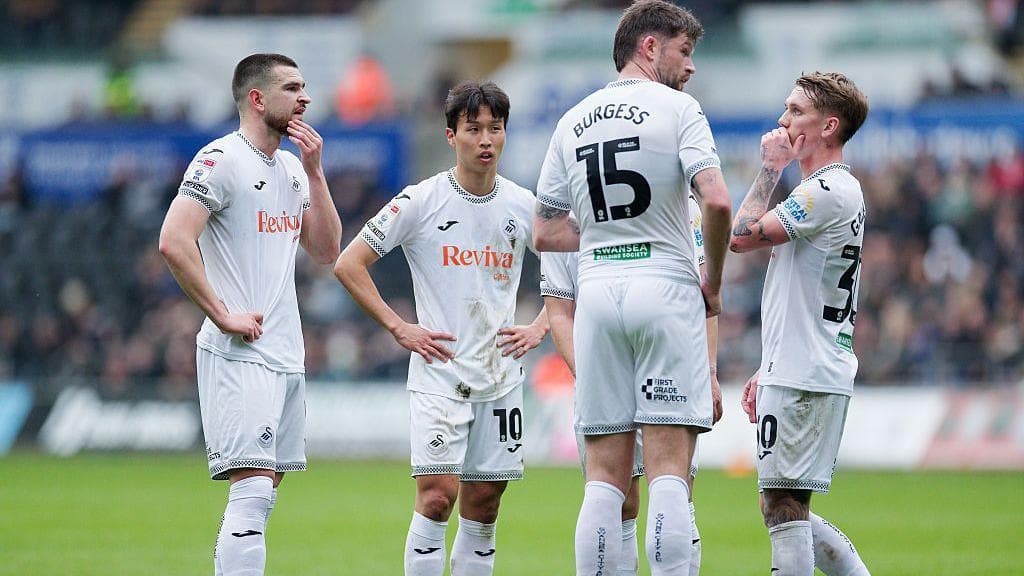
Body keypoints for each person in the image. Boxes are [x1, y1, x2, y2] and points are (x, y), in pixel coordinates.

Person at [532, 1, 733, 574]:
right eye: (684, 51)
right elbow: (717, 201)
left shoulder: (572, 120)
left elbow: (544, 232)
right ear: (649, 46)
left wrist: (605, 233)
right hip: (665, 286)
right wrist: (713, 282)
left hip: (598, 294)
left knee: (604, 479)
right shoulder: (679, 108)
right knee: (670, 471)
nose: (690, 66)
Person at [333, 81, 548, 576]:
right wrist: (398, 327)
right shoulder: (421, 200)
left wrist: (541, 326)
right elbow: (349, 263)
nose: (485, 139)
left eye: (495, 128)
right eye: (473, 129)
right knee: (436, 497)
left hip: (500, 377)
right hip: (439, 375)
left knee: (485, 504)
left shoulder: (524, 205)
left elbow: (574, 268)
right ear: (451, 135)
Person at [158, 53, 342, 576]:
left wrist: (316, 172)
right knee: (253, 491)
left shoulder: (292, 168)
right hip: (239, 352)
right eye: (292, 88)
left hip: (285, 352)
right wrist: (221, 314)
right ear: (257, 99)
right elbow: (173, 240)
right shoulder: (220, 159)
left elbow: (326, 250)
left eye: (304, 87)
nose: (305, 98)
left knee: (262, 494)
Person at [729, 71, 871, 576]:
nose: (782, 119)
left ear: (828, 126)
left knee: (785, 506)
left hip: (808, 371)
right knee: (781, 505)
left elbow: (741, 235)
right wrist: (769, 364)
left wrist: (770, 168)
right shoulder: (828, 189)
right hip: (799, 364)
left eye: (795, 111)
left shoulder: (826, 190)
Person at [541, 193, 722, 576]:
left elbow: (700, 294)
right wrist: (590, 376)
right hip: (624, 355)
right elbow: (559, 310)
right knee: (625, 495)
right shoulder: (564, 213)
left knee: (673, 487)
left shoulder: (679, 201)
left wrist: (709, 371)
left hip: (662, 355)